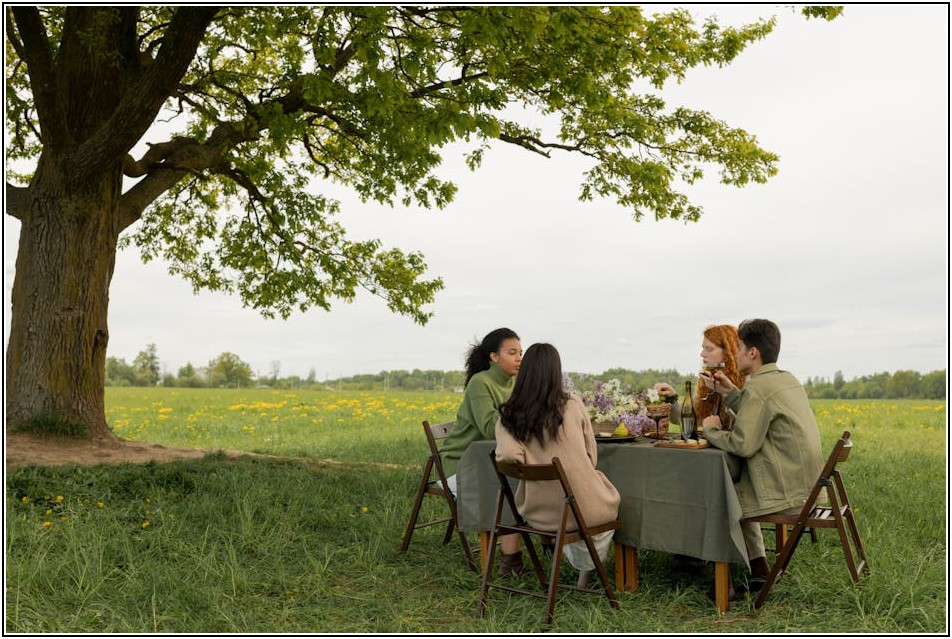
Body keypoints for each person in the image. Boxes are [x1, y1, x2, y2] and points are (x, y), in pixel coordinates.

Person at [702, 318, 824, 595]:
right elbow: (756, 409)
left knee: (720, 495)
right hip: (809, 488)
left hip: (788, 493)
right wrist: (732, 393)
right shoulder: (785, 379)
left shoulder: (758, 387)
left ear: (753, 352)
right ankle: (759, 572)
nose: (736, 353)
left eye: (740, 348)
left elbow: (743, 444)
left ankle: (723, 584)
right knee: (732, 488)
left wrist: (710, 432)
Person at [494, 343, 621, 587]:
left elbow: (508, 456)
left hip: (536, 513)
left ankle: (578, 564)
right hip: (582, 511)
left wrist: (531, 462)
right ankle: (588, 571)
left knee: (574, 503)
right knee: (605, 500)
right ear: (556, 372)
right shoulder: (572, 405)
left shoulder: (508, 414)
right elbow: (590, 456)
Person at [438, 327, 524, 572]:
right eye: (512, 352)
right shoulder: (480, 383)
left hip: (495, 460)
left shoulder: (516, 383)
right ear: (494, 357)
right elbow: (489, 429)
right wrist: (520, 406)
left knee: (528, 478)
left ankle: (545, 540)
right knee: (510, 487)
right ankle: (511, 561)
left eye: (521, 352)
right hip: (461, 463)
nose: (519, 358)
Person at [655, 324, 747, 426]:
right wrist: (672, 399)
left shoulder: (748, 383)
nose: (702, 354)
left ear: (728, 352)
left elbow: (748, 423)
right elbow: (687, 416)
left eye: (709, 349)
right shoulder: (708, 381)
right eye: (703, 348)